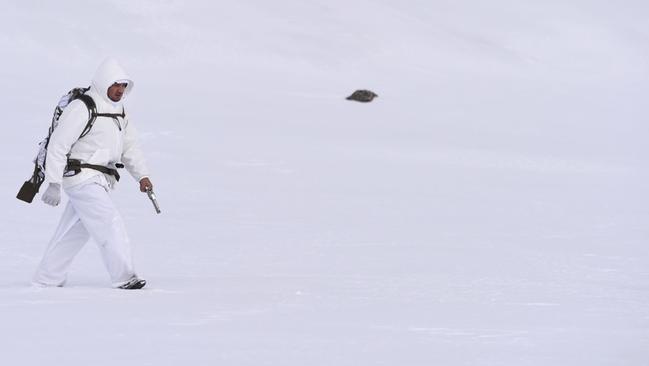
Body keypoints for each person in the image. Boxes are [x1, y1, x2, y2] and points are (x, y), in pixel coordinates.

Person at [33, 58, 153, 290]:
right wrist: (53, 183)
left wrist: (142, 176)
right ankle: (125, 276)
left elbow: (130, 148)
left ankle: (47, 278)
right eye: (116, 84)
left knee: (75, 231)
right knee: (108, 221)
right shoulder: (83, 106)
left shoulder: (119, 112)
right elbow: (58, 144)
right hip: (81, 177)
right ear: (103, 82)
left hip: (102, 180)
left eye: (124, 85)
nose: (120, 90)